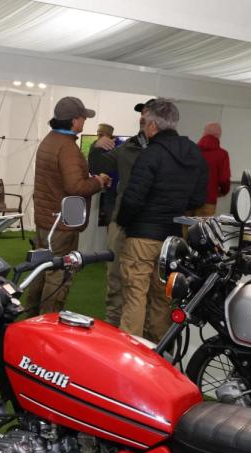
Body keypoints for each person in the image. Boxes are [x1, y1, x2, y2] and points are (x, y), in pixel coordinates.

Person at [116, 99, 207, 341]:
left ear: (154, 125)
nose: (143, 126)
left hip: (142, 235)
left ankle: (130, 352)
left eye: (145, 121)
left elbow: (133, 199)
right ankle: (158, 351)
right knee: (162, 297)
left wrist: (124, 223)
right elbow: (198, 198)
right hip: (173, 239)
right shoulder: (194, 153)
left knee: (135, 294)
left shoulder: (151, 155)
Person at [23, 96, 111, 317]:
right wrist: (98, 181)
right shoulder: (68, 148)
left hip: (46, 219)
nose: (84, 122)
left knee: (42, 270)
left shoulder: (49, 140)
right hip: (61, 223)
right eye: (83, 118)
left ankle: (31, 317)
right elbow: (76, 187)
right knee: (59, 274)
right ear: (74, 121)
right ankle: (49, 322)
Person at [89, 100, 152, 327]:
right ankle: (112, 328)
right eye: (142, 113)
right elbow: (98, 166)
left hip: (150, 227)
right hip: (122, 221)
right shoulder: (130, 146)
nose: (142, 117)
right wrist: (96, 147)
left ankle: (150, 342)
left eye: (147, 113)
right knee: (116, 278)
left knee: (146, 287)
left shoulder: (166, 149)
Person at [196, 122, 231, 217]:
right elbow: (224, 179)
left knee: (185, 229)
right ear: (219, 136)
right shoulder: (222, 154)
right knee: (203, 230)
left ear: (204, 133)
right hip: (208, 200)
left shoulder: (192, 150)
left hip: (187, 200)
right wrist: (223, 192)